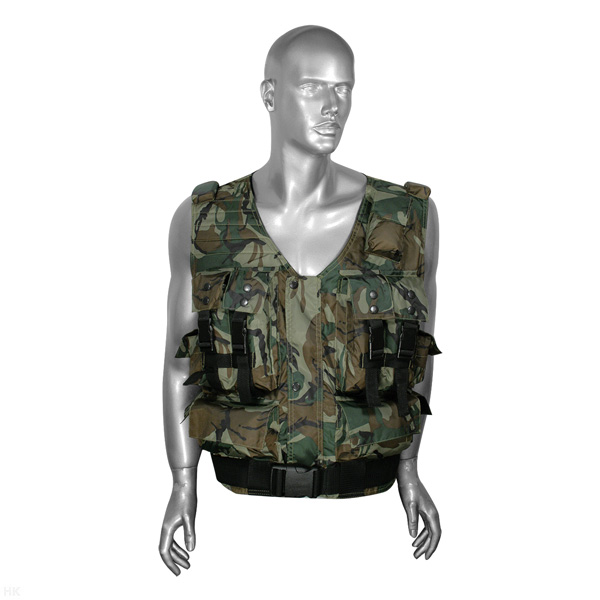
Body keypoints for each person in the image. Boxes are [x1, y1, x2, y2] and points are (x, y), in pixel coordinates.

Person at [159, 25, 441, 575]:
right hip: (241, 522)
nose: (333, 105)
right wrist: (182, 483)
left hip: (367, 526)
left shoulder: (407, 220)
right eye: (313, 86)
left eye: (344, 88)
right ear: (270, 95)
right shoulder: (206, 222)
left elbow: (418, 358)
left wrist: (409, 467)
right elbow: (177, 364)